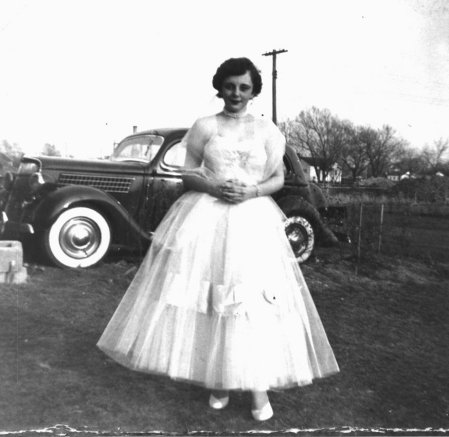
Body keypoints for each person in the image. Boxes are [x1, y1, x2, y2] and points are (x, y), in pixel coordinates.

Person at [97, 57, 339, 421]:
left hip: (252, 220)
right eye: (230, 86)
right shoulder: (204, 126)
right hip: (206, 218)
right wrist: (214, 186)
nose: (236, 93)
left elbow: (277, 177)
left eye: (244, 87)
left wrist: (253, 190)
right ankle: (219, 381)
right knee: (213, 296)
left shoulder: (267, 131)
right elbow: (187, 173)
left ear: (254, 90)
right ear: (219, 87)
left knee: (251, 300)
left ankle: (258, 388)